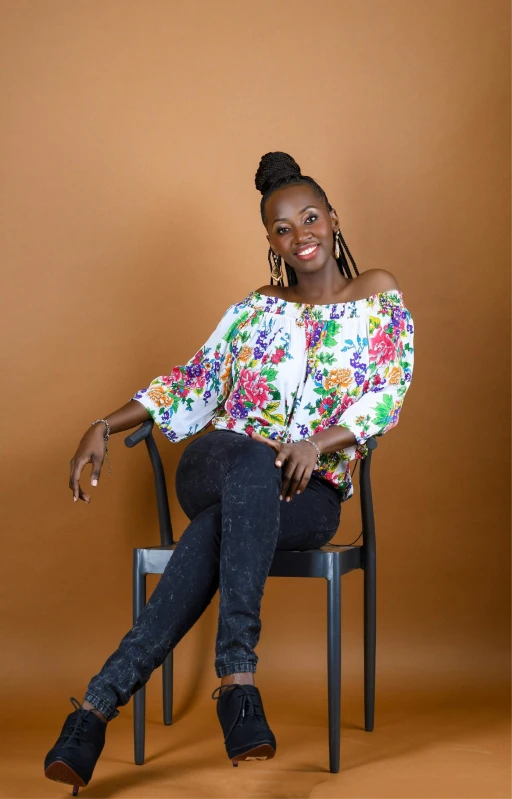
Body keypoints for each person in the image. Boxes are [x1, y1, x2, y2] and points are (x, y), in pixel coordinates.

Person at [44, 151, 415, 791]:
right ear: (269, 239)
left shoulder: (376, 293)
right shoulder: (254, 311)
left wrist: (318, 442)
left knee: (219, 529)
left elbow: (390, 388)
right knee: (247, 456)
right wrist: (103, 425)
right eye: (282, 227)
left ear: (332, 218)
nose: (300, 236)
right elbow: (192, 383)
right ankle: (238, 679)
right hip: (219, 463)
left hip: (309, 493)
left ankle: (95, 711)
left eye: (310, 218)